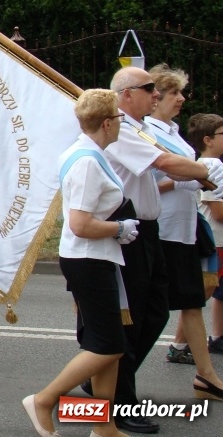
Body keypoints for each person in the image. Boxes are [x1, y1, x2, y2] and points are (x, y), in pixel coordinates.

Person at [93, 66, 223, 433]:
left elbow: (177, 168)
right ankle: (120, 403)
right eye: (148, 88)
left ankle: (105, 381)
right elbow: (166, 164)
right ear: (126, 94)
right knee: (131, 320)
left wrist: (198, 172)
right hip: (128, 229)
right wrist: (207, 170)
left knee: (154, 313)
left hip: (149, 230)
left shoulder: (144, 128)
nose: (156, 93)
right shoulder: (122, 129)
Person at [22, 89, 135, 437]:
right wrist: (119, 228)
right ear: (106, 122)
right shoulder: (87, 161)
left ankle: (104, 427)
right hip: (89, 259)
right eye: (118, 117)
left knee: (108, 346)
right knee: (108, 346)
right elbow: (80, 223)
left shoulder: (86, 152)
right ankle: (43, 400)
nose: (121, 123)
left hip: (94, 259)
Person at [142, 67, 223, 405]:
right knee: (151, 309)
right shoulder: (146, 132)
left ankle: (206, 376)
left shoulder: (172, 132)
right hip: (162, 228)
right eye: (175, 93)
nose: (181, 99)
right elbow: (158, 180)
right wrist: (198, 174)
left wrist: (196, 175)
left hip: (183, 229)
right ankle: (106, 368)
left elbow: (188, 175)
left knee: (191, 300)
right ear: (156, 96)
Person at [186, 113, 223, 356]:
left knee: (212, 291)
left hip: (214, 239)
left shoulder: (205, 163)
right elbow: (218, 211)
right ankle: (183, 343)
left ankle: (217, 337)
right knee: (203, 294)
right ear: (208, 140)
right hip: (216, 240)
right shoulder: (214, 165)